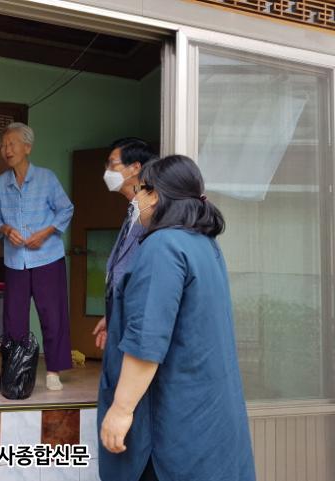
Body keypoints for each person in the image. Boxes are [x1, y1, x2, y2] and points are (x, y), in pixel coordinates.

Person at [98, 155, 256, 481]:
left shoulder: (162, 246)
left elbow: (146, 341)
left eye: (140, 191)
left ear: (155, 195)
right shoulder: (204, 244)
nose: (135, 201)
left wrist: (121, 410)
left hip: (170, 423)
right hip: (206, 416)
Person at [0, 122, 74, 391]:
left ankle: (54, 371)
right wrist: (5, 229)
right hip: (15, 261)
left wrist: (45, 233)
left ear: (27, 147)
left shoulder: (47, 178)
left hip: (48, 257)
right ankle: (16, 369)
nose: (7, 149)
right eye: (3, 145)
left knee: (53, 315)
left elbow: (66, 209)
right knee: (14, 318)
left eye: (11, 144)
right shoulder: (0, 184)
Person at [92, 138, 157, 351]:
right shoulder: (134, 209)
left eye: (112, 164)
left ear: (135, 168)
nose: (107, 171)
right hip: (121, 313)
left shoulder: (152, 213)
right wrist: (111, 315)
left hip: (137, 317)